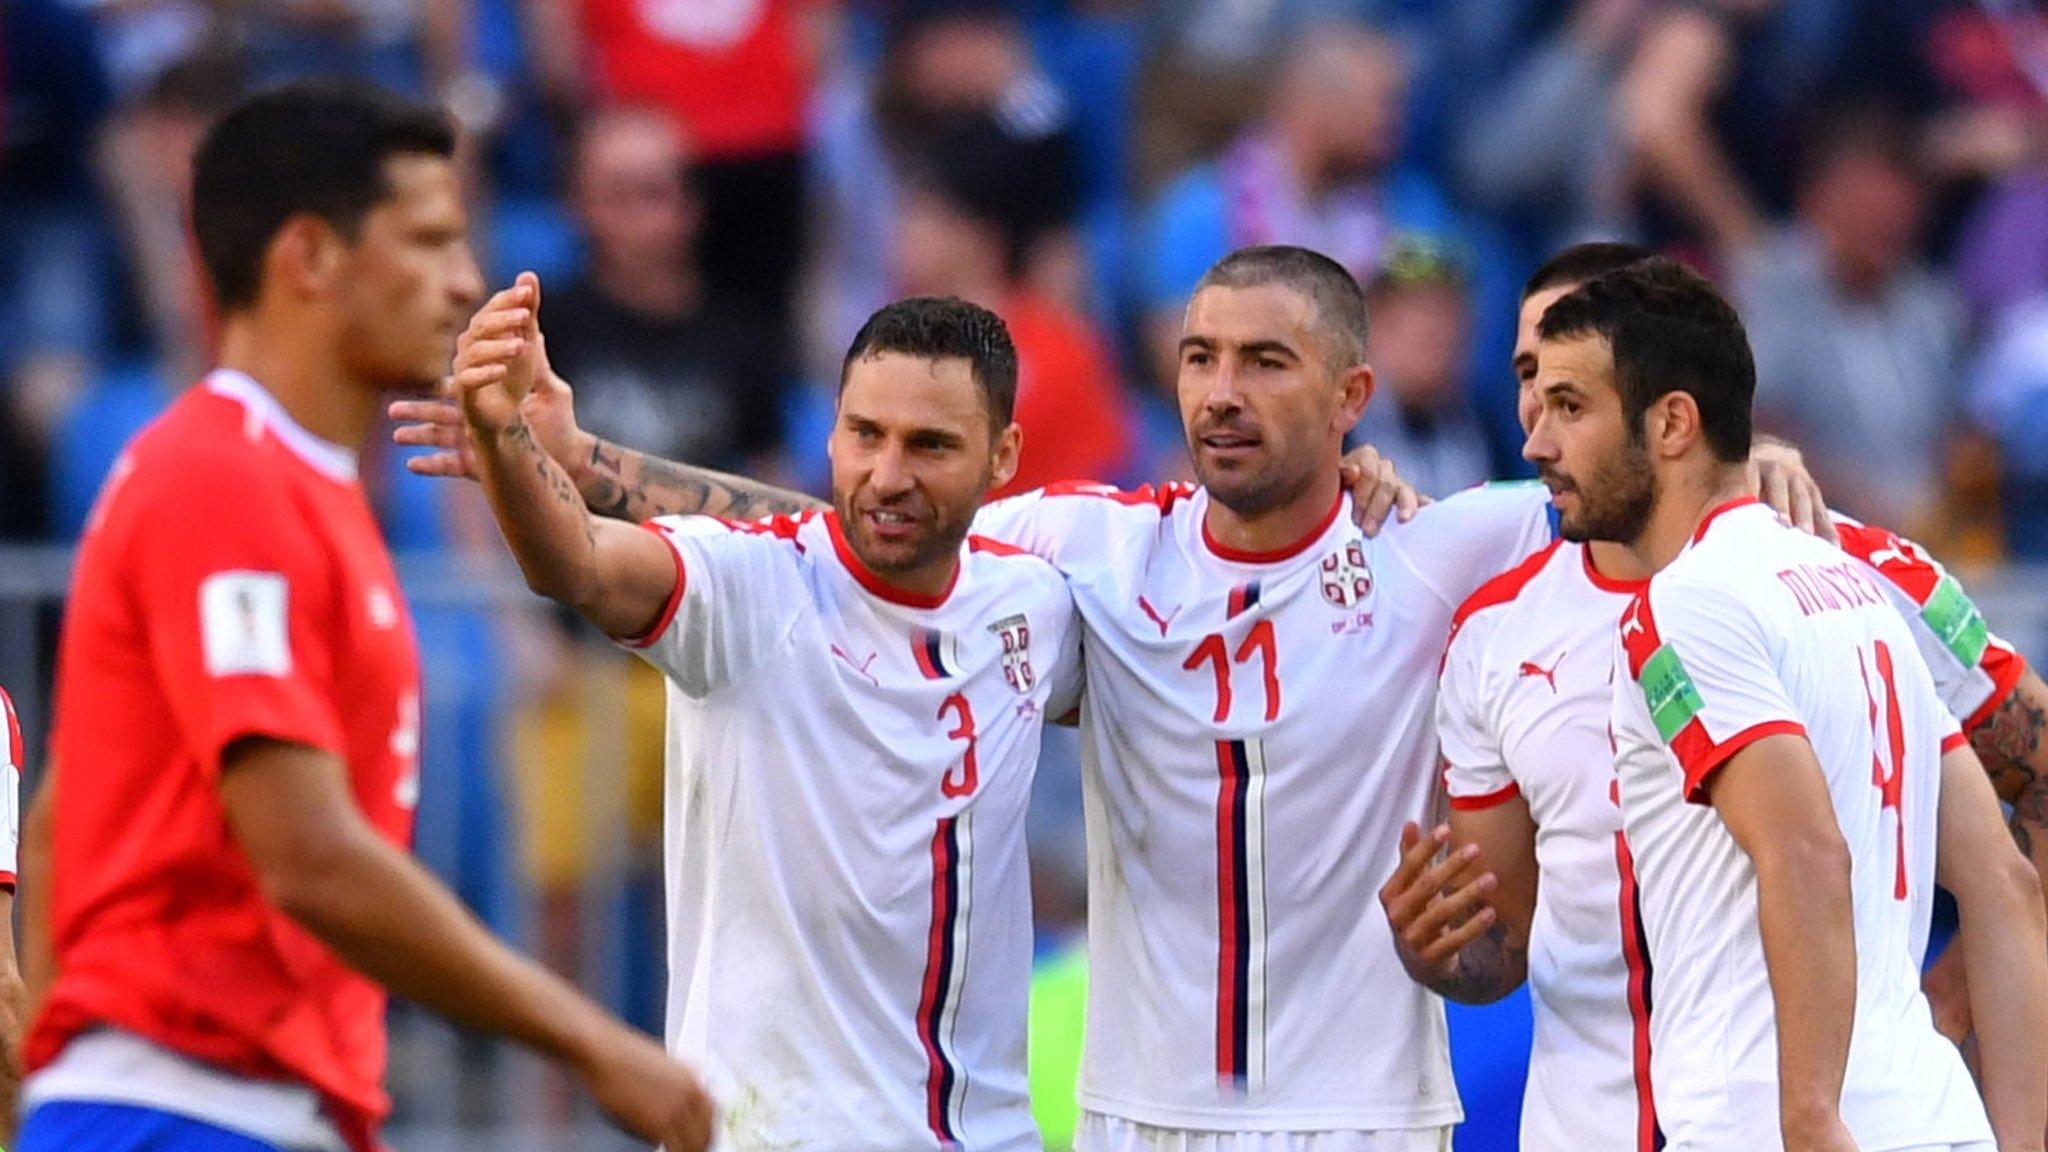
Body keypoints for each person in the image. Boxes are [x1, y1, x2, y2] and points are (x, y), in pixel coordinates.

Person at [12, 83, 712, 1152]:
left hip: (232, 1107)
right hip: (182, 1109)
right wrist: (595, 1041)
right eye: (427, 241)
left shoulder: (294, 488)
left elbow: (68, 821)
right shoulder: (223, 477)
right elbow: (309, 855)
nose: (466, 280)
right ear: (310, 259)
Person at [1380, 241, 2048, 1152]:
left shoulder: (1685, 606)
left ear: (1668, 416)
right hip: (1902, 1118)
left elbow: (1809, 851)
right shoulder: (1854, 583)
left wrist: (1819, 1111)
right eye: (1528, 377)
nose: (1536, 425)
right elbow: (2000, 876)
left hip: (1751, 1119)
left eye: (1571, 399)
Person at [454, 285, 1083, 1151]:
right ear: (829, 432)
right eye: (865, 435)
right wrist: (505, 436)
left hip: (988, 1136)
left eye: (930, 445)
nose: (888, 475)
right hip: (778, 1135)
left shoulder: (1034, 603)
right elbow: (583, 564)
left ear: (1003, 454)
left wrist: (1343, 483)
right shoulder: (749, 585)